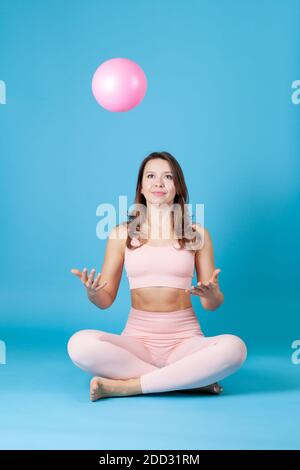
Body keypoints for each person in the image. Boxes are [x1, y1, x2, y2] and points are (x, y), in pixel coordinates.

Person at [68, 151, 247, 401]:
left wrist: (213, 293)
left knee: (235, 349)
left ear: (178, 187)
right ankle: (188, 381)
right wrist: (93, 292)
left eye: (168, 177)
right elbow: (106, 300)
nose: (158, 183)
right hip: (137, 343)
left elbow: (210, 304)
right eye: (150, 176)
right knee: (78, 344)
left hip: (185, 341)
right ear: (141, 186)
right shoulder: (121, 234)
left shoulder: (198, 234)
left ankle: (128, 386)